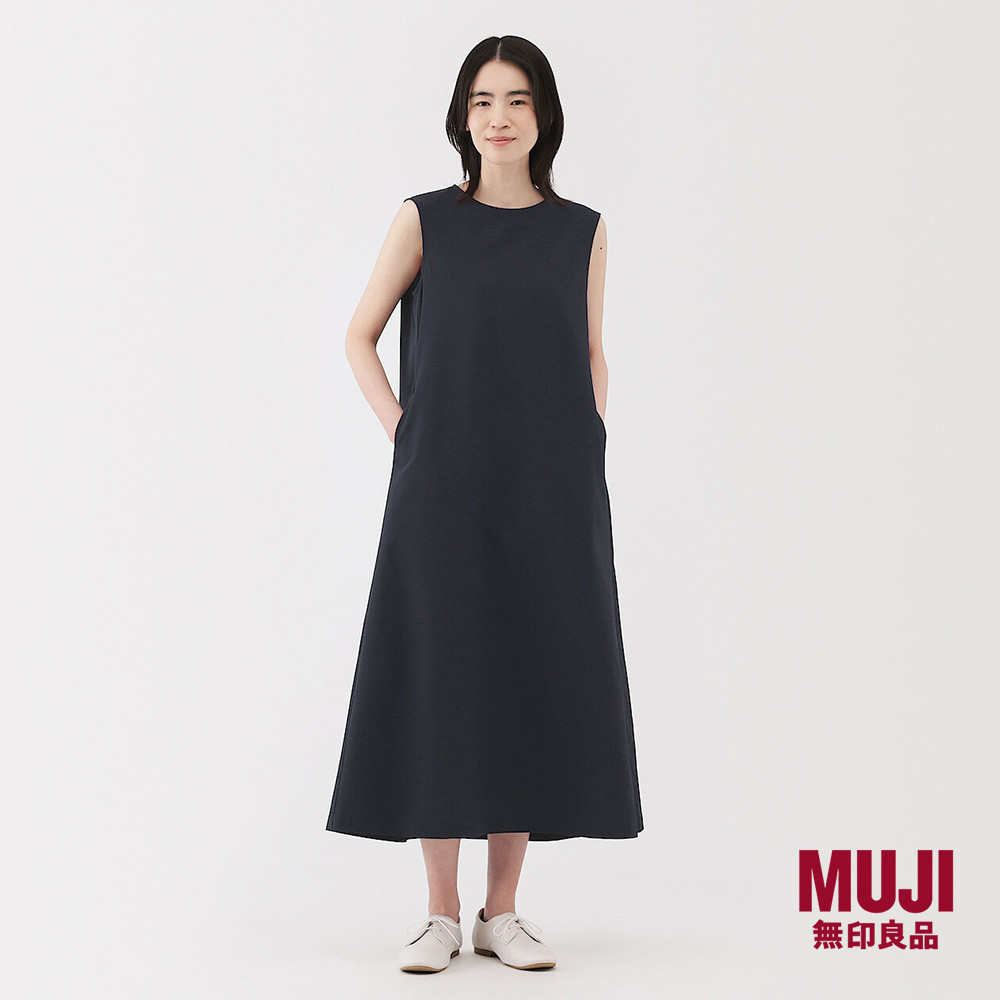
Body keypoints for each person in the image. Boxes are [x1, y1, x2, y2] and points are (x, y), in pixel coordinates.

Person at [326, 35, 643, 974]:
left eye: (516, 100)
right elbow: (358, 335)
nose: (498, 118)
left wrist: (586, 437)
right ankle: (439, 911)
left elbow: (591, 349)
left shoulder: (581, 230)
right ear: (462, 117)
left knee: (527, 672)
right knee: (442, 671)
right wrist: (407, 432)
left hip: (553, 486)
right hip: (443, 485)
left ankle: (503, 912)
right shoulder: (426, 219)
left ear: (544, 115)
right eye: (481, 101)